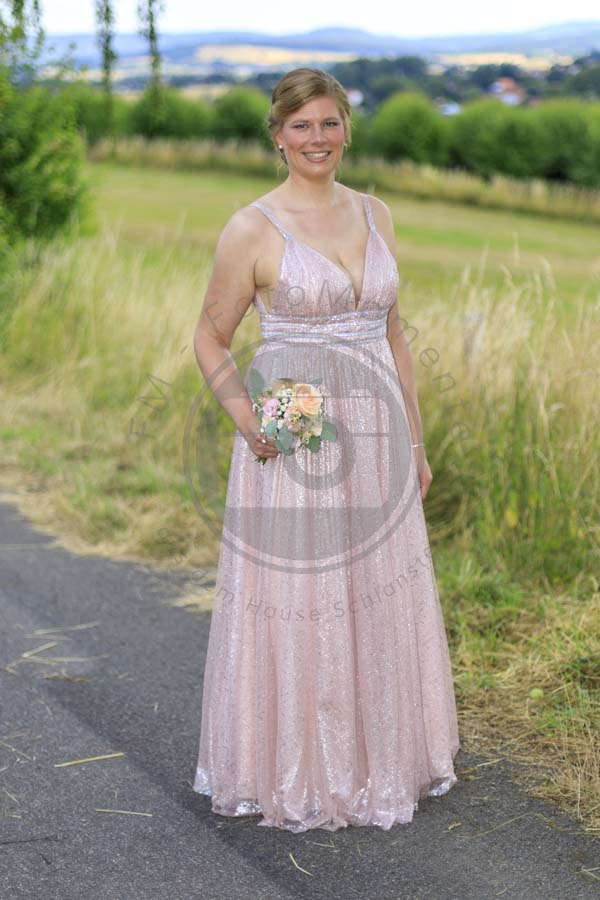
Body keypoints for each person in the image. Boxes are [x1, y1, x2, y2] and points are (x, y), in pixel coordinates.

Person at [191, 67, 460, 832]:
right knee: (305, 601)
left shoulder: (377, 213)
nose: (318, 138)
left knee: (377, 592)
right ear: (278, 136)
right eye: (301, 125)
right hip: (298, 436)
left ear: (347, 128)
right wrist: (249, 421)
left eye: (330, 122)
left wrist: (416, 440)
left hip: (379, 439)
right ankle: (302, 766)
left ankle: (379, 759)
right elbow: (210, 336)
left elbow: (394, 335)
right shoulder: (251, 227)